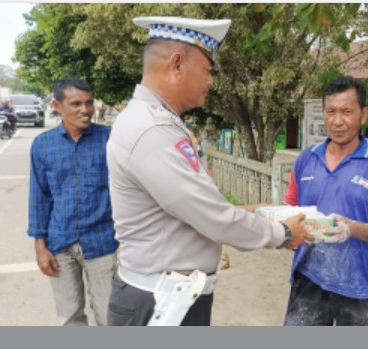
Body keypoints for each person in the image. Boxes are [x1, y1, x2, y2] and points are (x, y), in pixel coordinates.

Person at [106, 16, 312, 327]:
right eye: (207, 70)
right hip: (160, 304)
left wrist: (245, 212)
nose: (211, 81)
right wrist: (282, 234)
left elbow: (187, 209)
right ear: (177, 64)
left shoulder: (157, 121)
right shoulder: (153, 129)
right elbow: (212, 218)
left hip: (168, 295)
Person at [282, 76, 368, 326]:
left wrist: (353, 229)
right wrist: (285, 232)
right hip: (309, 279)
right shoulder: (306, 159)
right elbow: (290, 210)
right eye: (331, 112)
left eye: (347, 112)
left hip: (361, 288)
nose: (338, 121)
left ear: (364, 114)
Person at [27, 77, 118, 326]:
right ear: (57, 106)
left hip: (102, 243)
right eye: (76, 103)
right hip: (60, 244)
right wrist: (40, 247)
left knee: (110, 318)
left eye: (89, 103)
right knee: (69, 318)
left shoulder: (110, 140)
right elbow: (39, 197)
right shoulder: (43, 145)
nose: (85, 110)